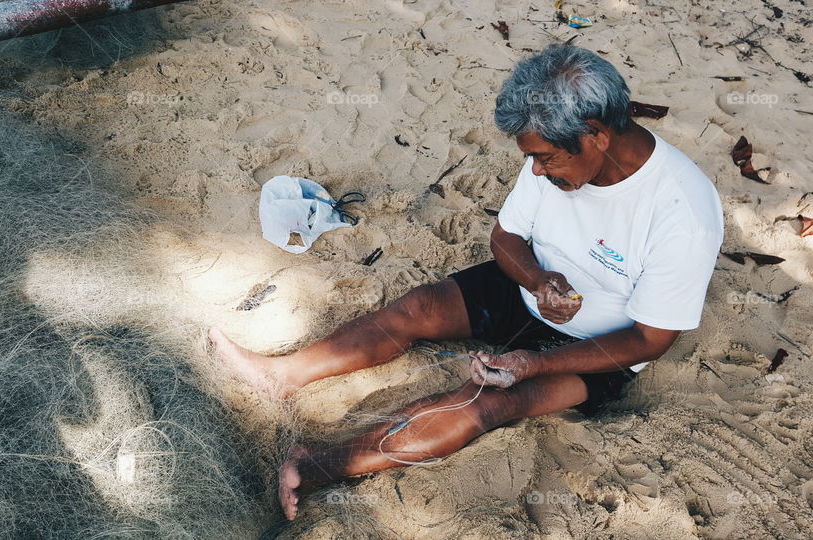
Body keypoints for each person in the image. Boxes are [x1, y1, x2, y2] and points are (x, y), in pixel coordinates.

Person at [210, 44, 724, 521]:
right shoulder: (551, 156)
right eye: (531, 157)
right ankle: (281, 376)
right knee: (419, 307)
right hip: (524, 289)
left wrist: (533, 363)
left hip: (599, 346)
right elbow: (505, 239)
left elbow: (650, 340)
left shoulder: (683, 211)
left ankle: (317, 465)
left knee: (486, 403)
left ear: (596, 133)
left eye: (545, 157)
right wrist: (537, 277)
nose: (537, 172)